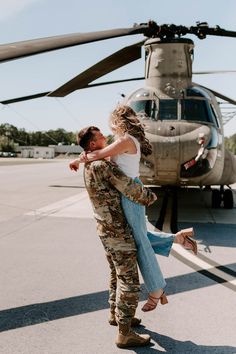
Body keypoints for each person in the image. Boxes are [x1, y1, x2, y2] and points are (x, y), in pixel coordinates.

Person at [70, 106, 197, 312]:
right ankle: (178, 238)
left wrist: (77, 159)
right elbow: (98, 154)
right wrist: (79, 159)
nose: (107, 129)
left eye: (110, 124)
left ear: (118, 123)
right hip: (126, 193)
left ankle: (156, 289)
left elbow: (98, 154)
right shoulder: (122, 141)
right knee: (138, 236)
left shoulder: (125, 141)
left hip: (131, 195)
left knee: (140, 242)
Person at [72, 126, 159, 348]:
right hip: (117, 232)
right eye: (100, 136)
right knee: (129, 281)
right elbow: (129, 187)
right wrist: (150, 196)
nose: (105, 137)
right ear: (92, 144)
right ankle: (124, 332)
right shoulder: (102, 165)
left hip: (104, 229)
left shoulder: (91, 163)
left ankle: (116, 315)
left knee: (115, 274)